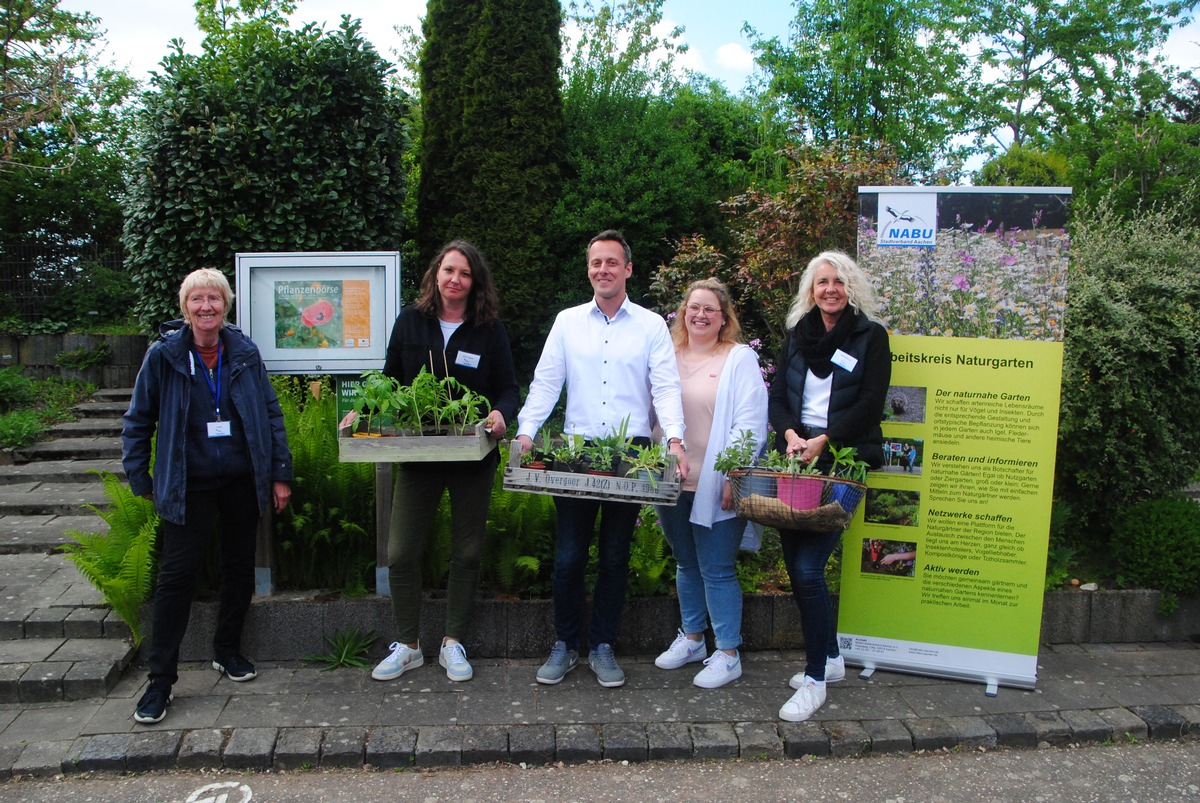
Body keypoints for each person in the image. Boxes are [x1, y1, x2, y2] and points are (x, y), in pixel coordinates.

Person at [515, 229, 688, 688]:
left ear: (628, 269)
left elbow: (666, 387)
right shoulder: (567, 322)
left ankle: (603, 645)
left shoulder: (651, 325)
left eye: (612, 262)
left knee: (615, 555)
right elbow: (546, 382)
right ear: (589, 269)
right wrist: (527, 431)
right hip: (576, 452)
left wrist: (674, 440)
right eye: (596, 263)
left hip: (630, 453)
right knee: (570, 555)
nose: (603, 270)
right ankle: (566, 644)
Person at [123, 268, 293, 725]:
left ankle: (227, 651)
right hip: (187, 483)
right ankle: (160, 681)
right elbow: (139, 420)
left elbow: (271, 414)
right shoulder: (164, 356)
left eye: (214, 299)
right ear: (185, 308)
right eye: (197, 300)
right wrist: (141, 477)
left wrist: (279, 474)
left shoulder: (243, 352)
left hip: (241, 480)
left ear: (225, 305)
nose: (206, 308)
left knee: (239, 568)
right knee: (176, 579)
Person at [371, 241, 519, 684]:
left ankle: (453, 641)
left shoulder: (489, 329)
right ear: (436, 274)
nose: (455, 279)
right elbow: (390, 379)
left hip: (473, 456)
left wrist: (500, 414)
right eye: (449, 270)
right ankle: (408, 645)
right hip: (419, 454)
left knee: (467, 550)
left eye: (465, 273)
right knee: (400, 553)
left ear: (476, 282)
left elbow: (509, 388)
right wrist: (365, 407)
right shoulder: (410, 321)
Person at [768, 250, 890, 723]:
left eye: (838, 281)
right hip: (798, 461)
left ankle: (815, 678)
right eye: (822, 282)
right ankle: (833, 658)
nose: (830, 289)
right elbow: (778, 397)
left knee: (808, 570)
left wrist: (825, 440)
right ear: (810, 289)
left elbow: (870, 405)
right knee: (794, 562)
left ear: (851, 287)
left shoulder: (870, 337)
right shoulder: (798, 337)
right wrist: (792, 436)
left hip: (843, 462)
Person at [652, 279, 767, 689]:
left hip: (717, 482)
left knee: (717, 569)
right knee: (686, 563)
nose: (700, 315)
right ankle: (694, 638)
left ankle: (729, 653)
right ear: (683, 312)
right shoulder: (667, 355)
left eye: (710, 310)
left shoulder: (738, 359)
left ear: (724, 318)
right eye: (693, 308)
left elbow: (750, 423)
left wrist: (734, 475)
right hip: (672, 482)